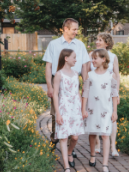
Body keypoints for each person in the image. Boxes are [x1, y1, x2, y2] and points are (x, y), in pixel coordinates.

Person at [43, 18, 90, 158]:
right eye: (74, 29)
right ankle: (54, 139)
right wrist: (49, 87)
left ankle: (70, 147)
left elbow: (84, 67)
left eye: (77, 29)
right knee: (55, 113)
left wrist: (85, 85)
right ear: (65, 29)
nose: (76, 32)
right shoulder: (54, 44)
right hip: (57, 80)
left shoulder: (80, 45)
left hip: (74, 81)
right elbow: (48, 67)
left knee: (73, 114)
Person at [82, 49, 118, 172]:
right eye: (92, 58)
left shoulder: (111, 75)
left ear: (104, 59)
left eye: (95, 58)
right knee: (92, 133)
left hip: (106, 109)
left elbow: (114, 94)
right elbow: (85, 92)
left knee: (105, 135)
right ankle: (92, 155)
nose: (93, 61)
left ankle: (105, 164)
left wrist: (115, 111)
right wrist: (83, 109)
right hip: (92, 109)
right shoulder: (89, 75)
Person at [53, 49, 84, 172]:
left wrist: (82, 108)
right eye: (74, 57)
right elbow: (55, 94)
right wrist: (57, 114)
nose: (76, 60)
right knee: (64, 137)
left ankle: (70, 152)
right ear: (66, 58)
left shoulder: (76, 73)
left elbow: (78, 92)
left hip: (75, 108)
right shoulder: (59, 74)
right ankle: (66, 167)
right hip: (64, 108)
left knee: (75, 137)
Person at [87, 33, 120, 157]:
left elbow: (116, 75)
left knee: (112, 117)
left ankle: (113, 147)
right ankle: (97, 144)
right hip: (94, 91)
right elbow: (87, 73)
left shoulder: (113, 56)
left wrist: (117, 92)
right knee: (94, 116)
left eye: (100, 40)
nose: (97, 42)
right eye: (96, 39)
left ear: (107, 43)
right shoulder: (91, 55)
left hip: (108, 92)